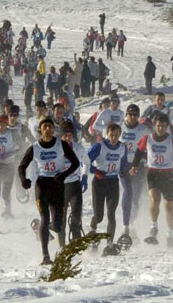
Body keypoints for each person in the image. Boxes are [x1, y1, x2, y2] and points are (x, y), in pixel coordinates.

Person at [18, 117, 80, 265]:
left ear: (54, 129)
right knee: (46, 219)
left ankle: (40, 227)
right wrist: (23, 180)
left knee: (58, 225)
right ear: (40, 130)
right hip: (42, 186)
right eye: (45, 126)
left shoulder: (61, 144)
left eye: (50, 127)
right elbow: (21, 166)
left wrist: (63, 175)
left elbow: (75, 163)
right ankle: (45, 256)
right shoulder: (35, 147)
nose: (48, 129)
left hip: (58, 185)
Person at [132, 113, 173, 247]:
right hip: (153, 173)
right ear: (154, 126)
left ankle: (170, 233)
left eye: (163, 126)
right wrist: (134, 165)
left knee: (169, 207)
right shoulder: (147, 139)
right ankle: (154, 227)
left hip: (168, 175)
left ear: (167, 126)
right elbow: (139, 151)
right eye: (158, 126)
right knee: (155, 198)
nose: (161, 128)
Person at [87, 122, 129, 255]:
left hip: (113, 183)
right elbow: (85, 161)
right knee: (99, 216)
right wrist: (95, 170)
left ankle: (110, 244)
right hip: (99, 183)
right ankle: (92, 229)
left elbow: (123, 162)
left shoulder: (122, 147)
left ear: (120, 135)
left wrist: (123, 171)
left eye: (116, 135)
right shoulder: (99, 146)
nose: (114, 138)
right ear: (107, 134)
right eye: (111, 135)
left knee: (111, 213)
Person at [118, 104, 150, 245]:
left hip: (138, 165)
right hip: (124, 165)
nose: (133, 117)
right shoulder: (120, 127)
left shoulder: (143, 129)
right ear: (126, 115)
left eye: (136, 115)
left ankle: (132, 222)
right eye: (130, 114)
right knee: (127, 192)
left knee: (136, 195)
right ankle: (125, 225)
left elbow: (149, 147)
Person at [59, 120, 89, 243]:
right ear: (60, 136)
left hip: (74, 184)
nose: (68, 138)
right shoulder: (55, 148)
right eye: (65, 136)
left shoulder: (78, 148)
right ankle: (61, 245)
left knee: (76, 215)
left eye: (70, 136)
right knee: (61, 218)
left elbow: (87, 162)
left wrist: (85, 176)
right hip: (60, 186)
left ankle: (75, 240)